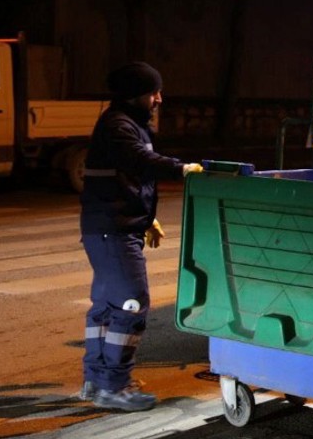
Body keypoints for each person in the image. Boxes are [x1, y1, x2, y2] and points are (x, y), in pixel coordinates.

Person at [78, 61, 201, 412]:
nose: (159, 99)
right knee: (131, 304)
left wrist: (147, 218)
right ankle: (115, 387)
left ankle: (96, 380)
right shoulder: (118, 126)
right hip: (113, 229)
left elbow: (128, 178)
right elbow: (139, 161)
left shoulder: (128, 123)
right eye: (153, 92)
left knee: (106, 307)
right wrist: (181, 168)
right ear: (135, 95)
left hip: (112, 226)